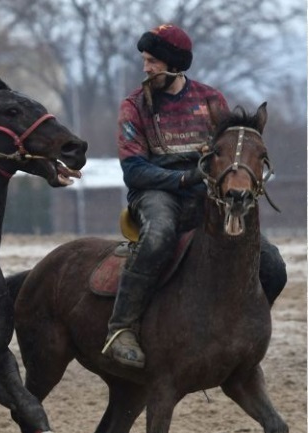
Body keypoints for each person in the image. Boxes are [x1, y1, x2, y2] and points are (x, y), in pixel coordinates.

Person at [103, 23, 287, 369]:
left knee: (272, 262)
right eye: (145, 60)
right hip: (155, 194)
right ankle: (122, 328)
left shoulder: (211, 100)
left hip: (207, 193)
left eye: (153, 61)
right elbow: (134, 171)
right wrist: (186, 177)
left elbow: (231, 153)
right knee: (158, 237)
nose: (146, 68)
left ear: (175, 64)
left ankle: (246, 328)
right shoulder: (134, 106)